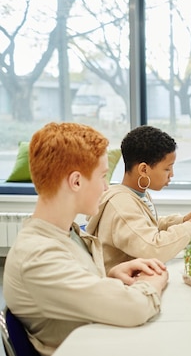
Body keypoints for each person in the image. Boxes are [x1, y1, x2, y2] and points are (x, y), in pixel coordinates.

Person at [2, 122, 169, 356]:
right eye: (102, 176)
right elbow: (135, 308)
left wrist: (110, 275)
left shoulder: (65, 234)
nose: (105, 187)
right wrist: (153, 283)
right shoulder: (39, 256)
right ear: (76, 182)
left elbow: (68, 288)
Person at [85, 125, 191, 272]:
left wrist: (185, 220)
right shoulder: (121, 204)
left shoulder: (137, 194)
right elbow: (153, 249)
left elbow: (146, 225)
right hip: (124, 285)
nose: (172, 174)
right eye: (167, 168)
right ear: (143, 169)